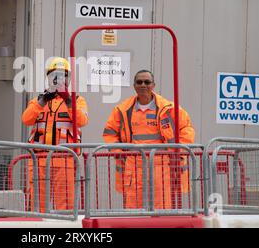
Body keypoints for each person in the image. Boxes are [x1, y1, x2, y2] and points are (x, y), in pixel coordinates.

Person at [103, 69, 194, 209]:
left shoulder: (168, 108)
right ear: (134, 85)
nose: (143, 85)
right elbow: (110, 133)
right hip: (133, 165)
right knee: (134, 210)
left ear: (153, 85)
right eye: (139, 82)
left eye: (147, 82)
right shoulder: (122, 110)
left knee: (161, 209)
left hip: (161, 165)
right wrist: (119, 152)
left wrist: (178, 151)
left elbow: (186, 129)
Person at [22, 57, 88, 212]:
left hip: (64, 159)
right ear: (48, 77)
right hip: (39, 159)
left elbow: (82, 120)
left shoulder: (77, 100)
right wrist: (43, 101)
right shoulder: (38, 100)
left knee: (65, 204)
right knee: (37, 204)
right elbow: (26, 119)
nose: (58, 79)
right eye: (54, 75)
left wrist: (68, 99)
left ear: (68, 78)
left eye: (63, 75)